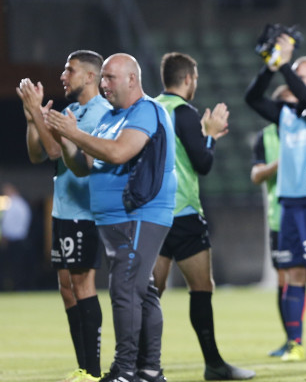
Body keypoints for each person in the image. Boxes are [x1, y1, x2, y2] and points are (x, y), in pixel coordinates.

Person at [45, 53, 177, 382]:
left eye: (110, 78)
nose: (104, 84)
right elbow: (84, 166)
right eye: (102, 78)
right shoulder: (111, 118)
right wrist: (66, 137)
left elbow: (120, 152)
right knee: (141, 292)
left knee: (124, 291)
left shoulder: (146, 110)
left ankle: (125, 370)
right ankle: (149, 370)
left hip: (140, 214)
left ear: (132, 79)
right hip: (113, 219)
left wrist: (75, 135)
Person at [151, 52, 255, 380]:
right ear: (188, 79)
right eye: (194, 78)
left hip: (151, 214)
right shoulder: (183, 112)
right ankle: (214, 364)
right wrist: (209, 134)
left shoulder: (150, 108)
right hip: (182, 212)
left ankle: (143, 364)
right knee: (201, 287)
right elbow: (203, 163)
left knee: (151, 292)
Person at [245, 35, 306, 361]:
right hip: (289, 203)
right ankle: (294, 344)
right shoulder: (285, 113)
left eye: (302, 76)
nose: (295, 82)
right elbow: (252, 97)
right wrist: (269, 66)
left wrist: (284, 62)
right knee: (293, 273)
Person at [16, 50, 110, 381]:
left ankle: (94, 370)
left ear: (89, 76)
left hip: (86, 211)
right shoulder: (70, 110)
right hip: (63, 210)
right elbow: (38, 153)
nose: (63, 75)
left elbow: (62, 152)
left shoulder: (102, 113)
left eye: (69, 70)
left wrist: (38, 116)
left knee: (83, 284)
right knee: (67, 286)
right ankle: (83, 366)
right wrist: (33, 120)